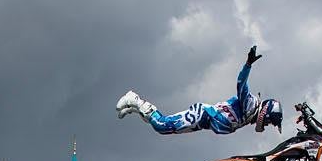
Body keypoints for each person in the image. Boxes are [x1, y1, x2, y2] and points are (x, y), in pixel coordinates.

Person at [117, 46, 284, 135]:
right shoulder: (251, 105)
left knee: (164, 128)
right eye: (270, 121)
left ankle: (136, 108)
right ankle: (135, 100)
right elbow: (241, 84)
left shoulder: (250, 115)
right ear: (267, 113)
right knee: (162, 126)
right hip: (203, 115)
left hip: (203, 123)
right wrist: (248, 65)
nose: (267, 124)